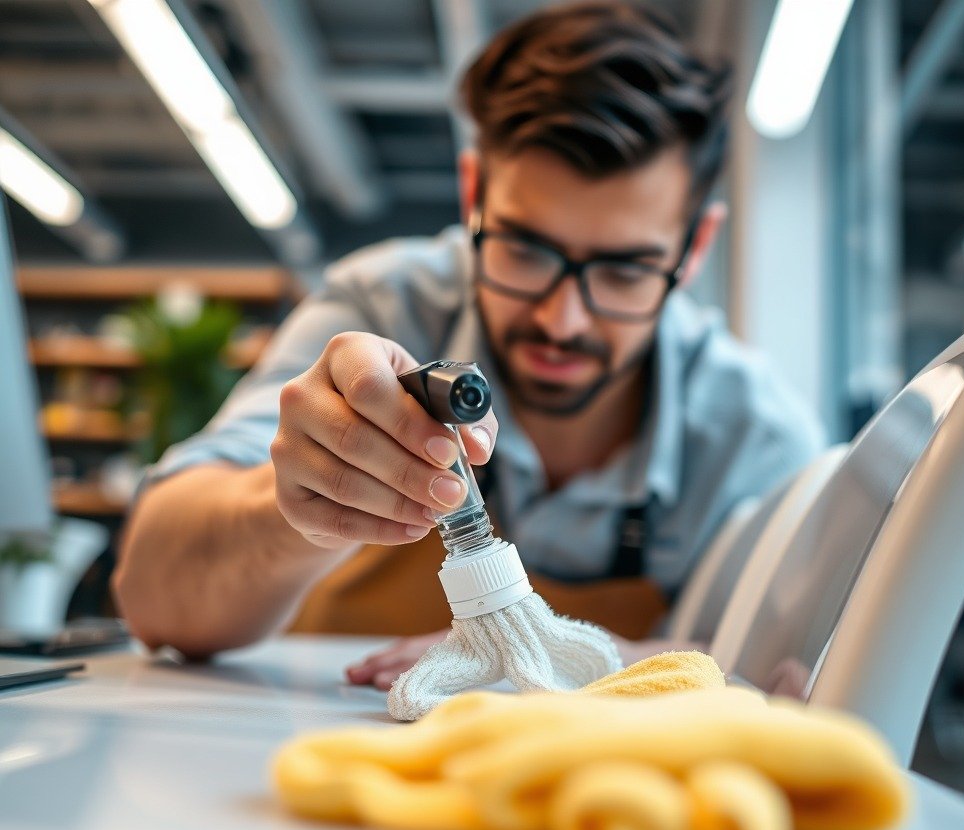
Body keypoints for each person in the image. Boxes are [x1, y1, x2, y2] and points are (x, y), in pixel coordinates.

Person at [114, 0, 823, 688]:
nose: (563, 319)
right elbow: (148, 595)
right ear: (474, 191)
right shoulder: (382, 304)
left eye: (624, 270)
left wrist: (603, 658)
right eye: (526, 250)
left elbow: (798, 672)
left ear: (694, 246)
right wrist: (295, 506)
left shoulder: (753, 434)